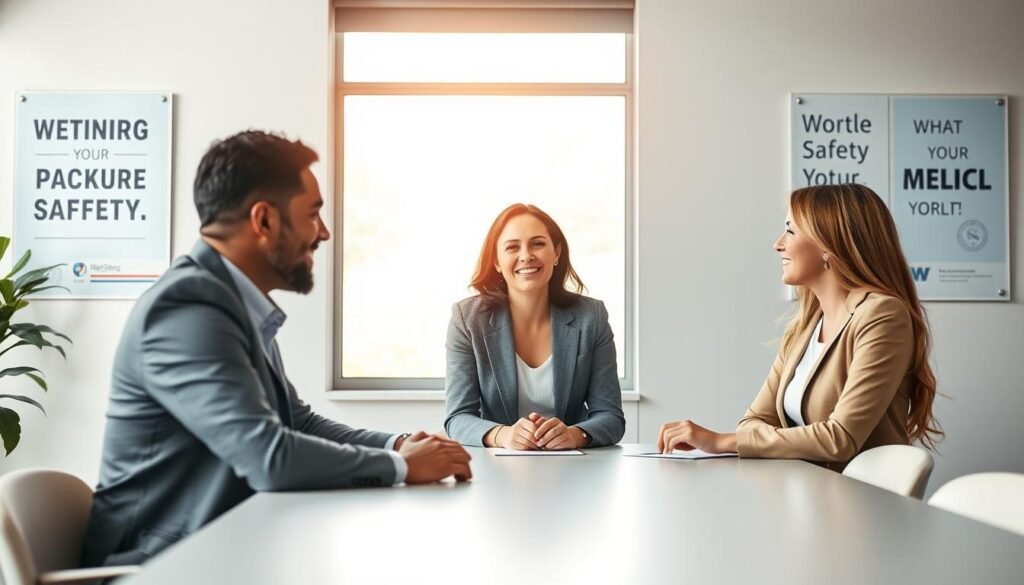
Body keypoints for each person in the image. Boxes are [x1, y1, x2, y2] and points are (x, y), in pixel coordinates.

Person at [83, 131, 472, 567]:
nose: (323, 233)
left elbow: (296, 422)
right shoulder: (188, 306)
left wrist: (398, 443)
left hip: (222, 550)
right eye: (313, 214)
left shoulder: (232, 302)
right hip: (158, 565)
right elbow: (269, 457)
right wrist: (401, 466)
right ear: (264, 221)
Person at [656, 184, 942, 471]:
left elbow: (840, 437)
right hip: (809, 493)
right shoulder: (806, 326)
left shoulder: (881, 315)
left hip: (861, 503)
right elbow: (754, 420)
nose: (778, 244)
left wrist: (721, 441)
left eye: (790, 231)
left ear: (829, 245)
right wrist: (747, 438)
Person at [444, 203, 625, 450]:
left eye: (538, 244)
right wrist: (503, 435)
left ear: (557, 253)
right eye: (512, 247)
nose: (526, 255)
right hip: (497, 467)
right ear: (496, 261)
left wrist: (575, 435)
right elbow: (457, 418)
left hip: (575, 467)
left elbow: (611, 417)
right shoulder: (467, 319)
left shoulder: (591, 317)